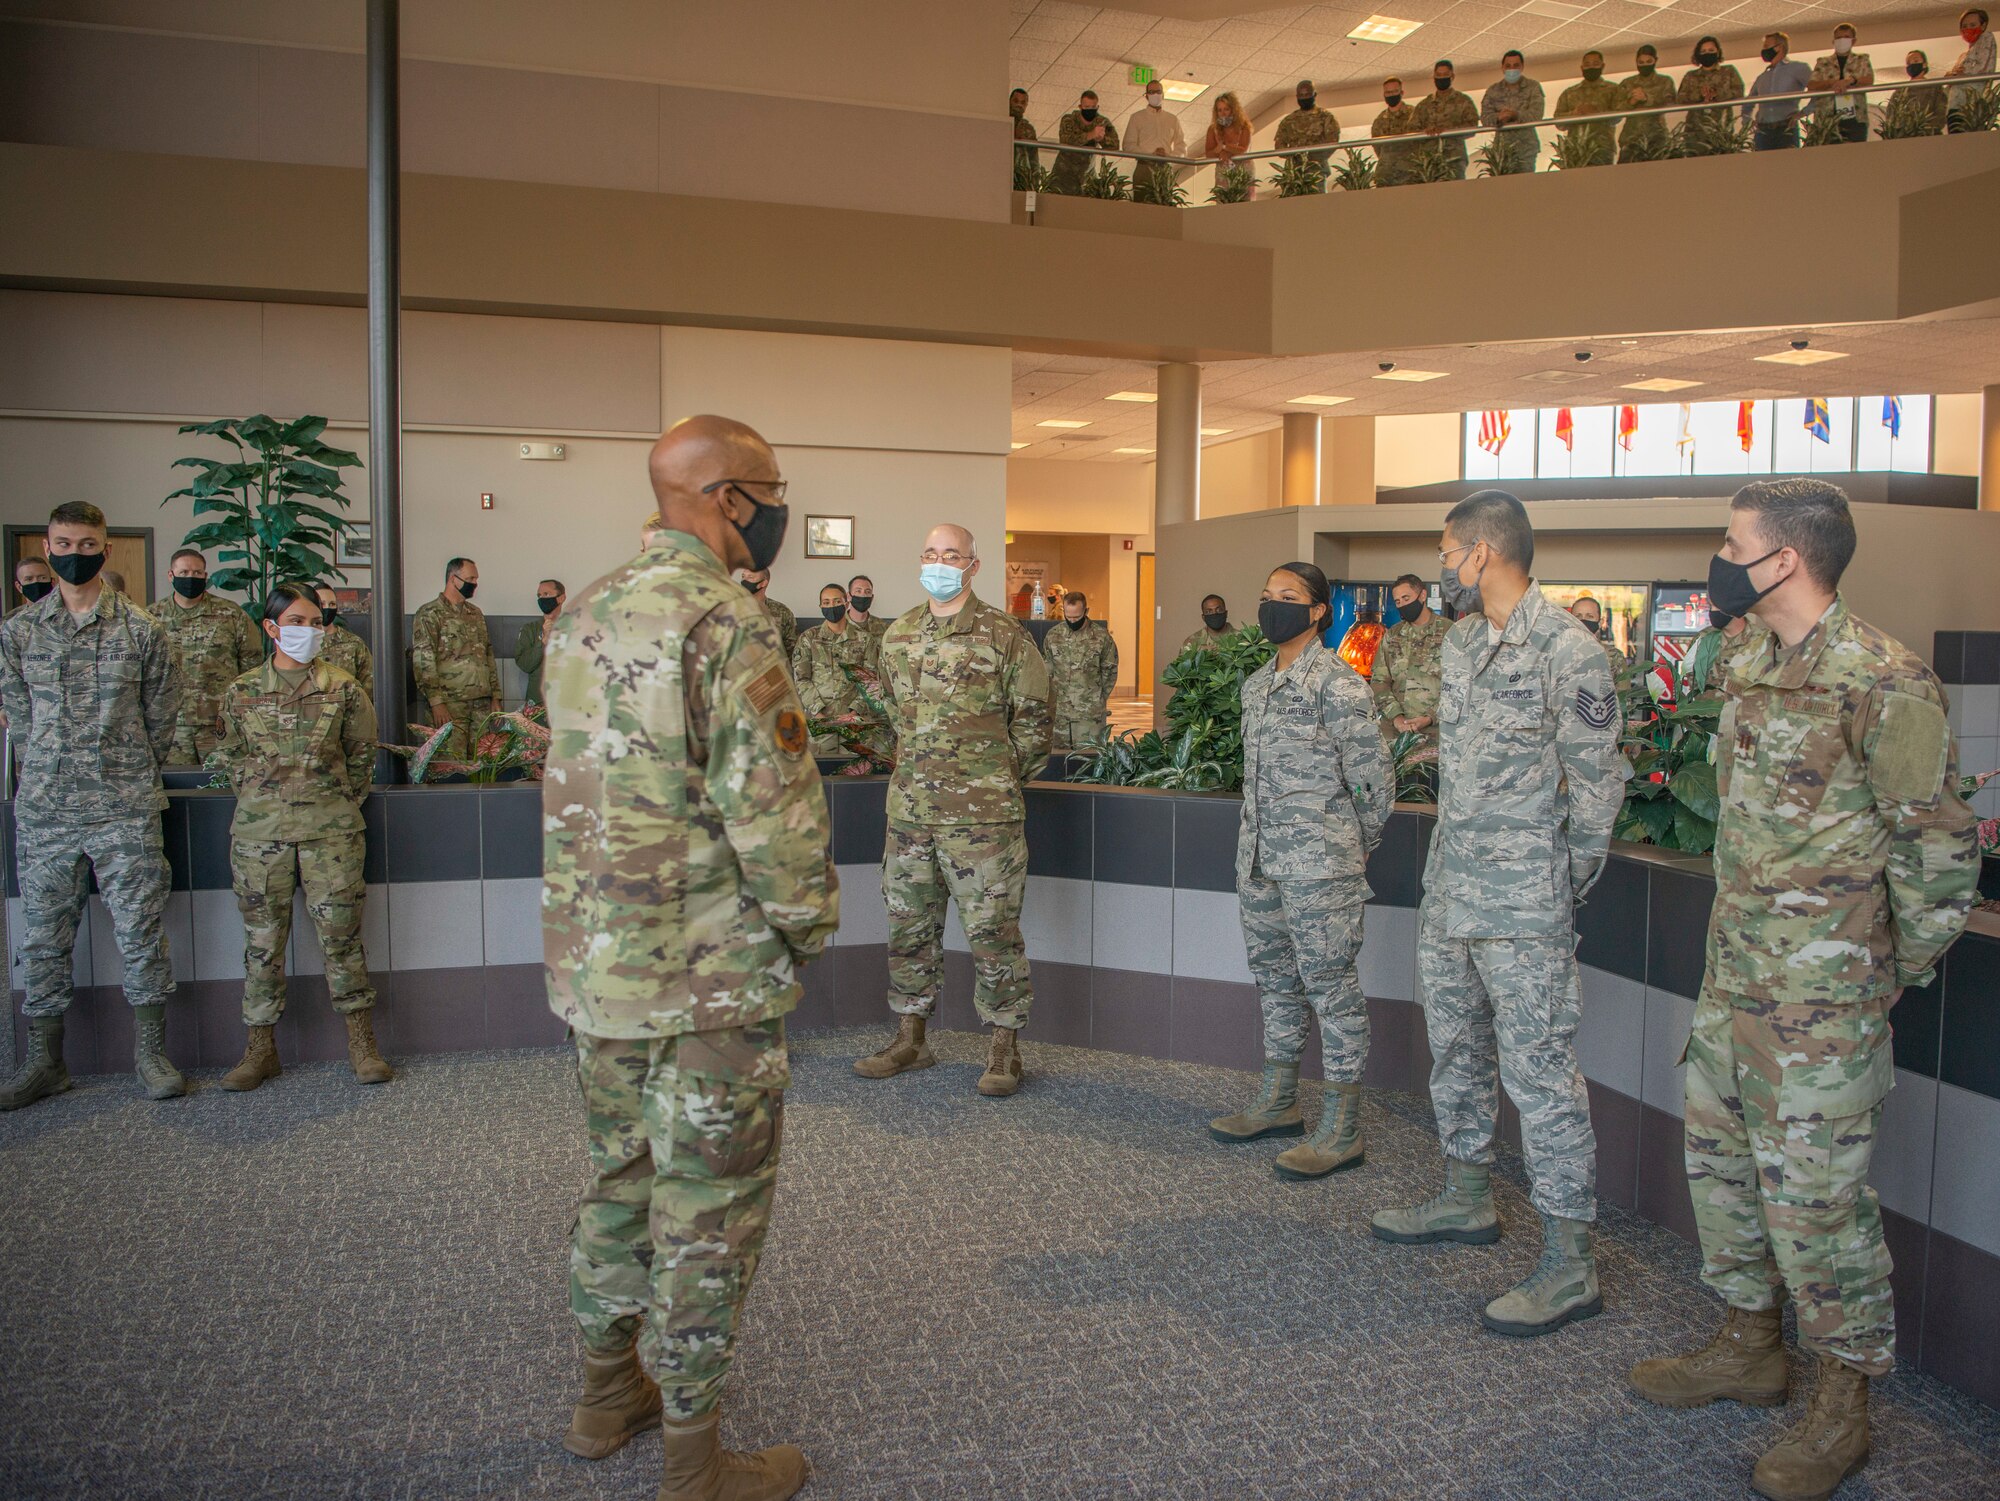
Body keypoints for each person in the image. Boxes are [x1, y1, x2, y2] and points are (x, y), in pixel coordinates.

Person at [1628, 480, 1978, 1501]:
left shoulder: (1884, 680)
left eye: (1731, 541)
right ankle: (1749, 1344)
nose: (1719, 557)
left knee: (1819, 1205)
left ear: (1784, 559)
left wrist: (1875, 975)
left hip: (1821, 1006)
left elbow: (1939, 854)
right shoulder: (1748, 659)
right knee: (1721, 1171)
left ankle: (1842, 1402)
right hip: (1732, 981)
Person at [543, 415, 835, 1501]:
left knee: (621, 1183)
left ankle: (602, 1395)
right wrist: (806, 927)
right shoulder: (728, 622)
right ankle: (694, 1461)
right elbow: (775, 813)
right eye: (772, 488)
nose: (780, 507)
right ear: (727, 498)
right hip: (709, 982)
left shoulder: (580, 612)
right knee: (709, 1212)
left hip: (599, 972)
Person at [1369, 490, 1628, 1339]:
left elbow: (1598, 788)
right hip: (1454, 888)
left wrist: (1555, 884)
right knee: (1457, 1047)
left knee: (1541, 1075)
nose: (1442, 567)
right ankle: (1467, 1194)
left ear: (1483, 552)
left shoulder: (1568, 649)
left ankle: (1570, 1261)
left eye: (1448, 553)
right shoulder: (1461, 644)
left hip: (1522, 904)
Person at [853, 524, 1051, 1097]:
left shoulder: (1004, 634)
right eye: (930, 554)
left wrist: (991, 780)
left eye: (951, 555)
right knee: (908, 926)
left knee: (993, 933)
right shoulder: (898, 634)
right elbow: (893, 717)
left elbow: (1036, 722)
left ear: (973, 565)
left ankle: (1005, 1047)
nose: (938, 563)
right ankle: (910, 1038)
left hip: (982, 820)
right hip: (911, 813)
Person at [0, 502, 184, 1110]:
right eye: (63, 543)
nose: (73, 553)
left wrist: (124, 768)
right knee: (43, 937)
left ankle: (151, 1054)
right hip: (46, 811)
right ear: (47, 548)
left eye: (86, 544)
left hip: (123, 806)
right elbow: (19, 718)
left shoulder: (142, 629)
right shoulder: (19, 631)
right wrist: (48, 770)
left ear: (105, 550)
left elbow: (161, 716)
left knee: (140, 929)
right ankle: (45, 1061)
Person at [1209, 563, 1390, 1179]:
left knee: (1331, 989)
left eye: (1287, 597)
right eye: (1266, 596)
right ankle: (1279, 1101)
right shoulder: (1257, 685)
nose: (1272, 606)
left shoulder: (1339, 685)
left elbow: (1372, 780)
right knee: (1275, 982)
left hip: (1321, 868)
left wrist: (1357, 844)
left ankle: (1342, 1129)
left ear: (1317, 612)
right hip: (1261, 861)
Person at [212, 583, 388, 1091]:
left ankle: (362, 1045)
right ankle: (259, 1050)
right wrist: (262, 797)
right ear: (271, 627)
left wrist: (331, 802)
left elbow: (362, 756)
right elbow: (230, 756)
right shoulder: (242, 691)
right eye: (296, 621)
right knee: (262, 943)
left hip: (330, 834)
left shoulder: (344, 688)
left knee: (342, 937)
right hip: (259, 836)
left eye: (315, 622)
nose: (308, 631)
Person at [156, 546, 263, 765]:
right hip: (172, 725)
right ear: (171, 575)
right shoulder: (152, 618)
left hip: (220, 721)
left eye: (197, 573)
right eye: (184, 572)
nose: (191, 577)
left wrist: (246, 712)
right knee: (176, 782)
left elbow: (252, 665)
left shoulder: (231, 614)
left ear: (205, 576)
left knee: (222, 780)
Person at [412, 557, 499, 759]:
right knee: (450, 762)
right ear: (453, 579)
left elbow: (488, 654)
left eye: (476, 579)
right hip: (450, 704)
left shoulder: (475, 613)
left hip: (481, 703)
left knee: (482, 763)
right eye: (470, 579)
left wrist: (495, 695)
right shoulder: (429, 613)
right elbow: (424, 661)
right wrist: (436, 702)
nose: (475, 584)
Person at [791, 582, 889, 757]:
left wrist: (855, 710)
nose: (832, 606)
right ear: (820, 606)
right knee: (820, 769)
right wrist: (818, 712)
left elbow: (871, 679)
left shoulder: (864, 639)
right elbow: (801, 679)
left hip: (855, 721)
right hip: (819, 721)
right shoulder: (808, 638)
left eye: (837, 601)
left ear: (846, 603)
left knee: (853, 770)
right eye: (826, 602)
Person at [1371, 574, 1448, 751]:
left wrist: (1430, 717)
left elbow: (1459, 687)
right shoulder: (1393, 635)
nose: (1402, 605)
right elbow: (1379, 681)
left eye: (1406, 598)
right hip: (1395, 734)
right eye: (1398, 602)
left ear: (1422, 595)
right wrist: (1397, 718)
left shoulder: (1449, 632)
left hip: (1435, 735)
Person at [1041, 590, 1119, 751]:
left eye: (1076, 617)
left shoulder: (1101, 637)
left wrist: (1097, 697)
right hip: (1060, 713)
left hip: (1089, 715)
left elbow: (1110, 670)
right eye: (1068, 616)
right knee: (1058, 758)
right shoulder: (1053, 635)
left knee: (1088, 756)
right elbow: (1047, 669)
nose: (1072, 621)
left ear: (1086, 611)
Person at [1480, 51, 1545, 173]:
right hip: (1502, 152)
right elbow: (1484, 117)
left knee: (1525, 183)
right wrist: (1498, 117)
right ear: (1502, 68)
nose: (1512, 69)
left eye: (1516, 65)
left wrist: (1516, 115)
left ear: (1522, 67)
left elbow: (1537, 114)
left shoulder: (1533, 86)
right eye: (1508, 66)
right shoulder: (1493, 90)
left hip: (1526, 150)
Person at [1807, 23, 1874, 142]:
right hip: (1827, 118)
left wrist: (1850, 81)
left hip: (1855, 118)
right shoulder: (1823, 62)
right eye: (1838, 38)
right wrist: (1832, 83)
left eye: (1846, 37)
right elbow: (1812, 85)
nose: (1842, 40)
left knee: (1855, 150)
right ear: (1833, 41)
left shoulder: (1862, 60)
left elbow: (1869, 80)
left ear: (1853, 41)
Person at [1555, 51, 1624, 165]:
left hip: (1602, 148)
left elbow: (1617, 117)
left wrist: (1597, 112)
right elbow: (1558, 123)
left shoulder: (1613, 89)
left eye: (1595, 64)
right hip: (1575, 150)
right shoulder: (1569, 93)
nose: (1591, 67)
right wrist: (1574, 113)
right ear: (1582, 67)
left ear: (1602, 66)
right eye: (1587, 64)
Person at [1413, 60, 1479, 178]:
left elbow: (1473, 126)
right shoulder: (1424, 105)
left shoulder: (1463, 100)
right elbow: (1412, 129)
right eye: (1438, 75)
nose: (1441, 78)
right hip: (1430, 161)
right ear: (1434, 77)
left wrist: (1448, 130)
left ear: (1452, 76)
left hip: (1454, 158)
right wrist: (1425, 132)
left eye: (1445, 75)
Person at [1745, 32, 1811, 149]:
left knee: (1788, 159)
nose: (1764, 50)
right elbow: (1747, 103)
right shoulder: (1762, 77)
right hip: (1763, 130)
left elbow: (1817, 90)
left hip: (1786, 127)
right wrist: (1748, 121)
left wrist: (1803, 113)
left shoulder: (1798, 68)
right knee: (1761, 160)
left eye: (1766, 46)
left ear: (1779, 47)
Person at [1124, 76, 1186, 198]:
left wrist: (1169, 156)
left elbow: (1182, 146)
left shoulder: (1172, 119)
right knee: (1143, 205)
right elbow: (1128, 145)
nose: (1155, 95)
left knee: (1164, 204)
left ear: (1163, 94)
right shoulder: (1137, 117)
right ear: (1146, 96)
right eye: (1151, 92)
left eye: (1158, 92)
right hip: (1144, 167)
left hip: (1165, 168)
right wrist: (1149, 155)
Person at [1050, 89, 1118, 194]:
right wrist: (1091, 135)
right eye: (1087, 107)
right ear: (1080, 107)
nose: (1090, 110)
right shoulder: (1069, 119)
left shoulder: (1101, 122)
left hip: (1086, 180)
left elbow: (1115, 145)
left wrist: (1102, 139)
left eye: (1093, 107)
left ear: (1097, 107)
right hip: (1063, 177)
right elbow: (1066, 140)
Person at [314, 584, 375, 699]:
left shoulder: (354, 643)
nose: (327, 608)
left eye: (332, 604)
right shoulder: (302, 643)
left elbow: (369, 684)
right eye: (322, 604)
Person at [1619, 44, 1678, 160]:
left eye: (1649, 61)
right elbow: (1616, 107)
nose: (1645, 65)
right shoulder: (1627, 83)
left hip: (1657, 137)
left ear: (1655, 60)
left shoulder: (1664, 81)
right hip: (1631, 137)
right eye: (1641, 62)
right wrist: (1632, 101)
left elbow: (1670, 103)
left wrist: (1647, 98)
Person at [514, 577, 566, 707]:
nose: (542, 599)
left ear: (561, 598)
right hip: (538, 703)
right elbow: (525, 665)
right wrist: (542, 642)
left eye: (546, 594)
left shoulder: (576, 627)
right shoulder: (530, 629)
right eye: (539, 595)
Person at [1273, 78, 1341, 178]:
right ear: (1297, 97)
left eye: (1307, 94)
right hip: (1294, 171)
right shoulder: (1288, 121)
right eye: (1301, 95)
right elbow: (1279, 147)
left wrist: (1311, 158)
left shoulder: (1326, 117)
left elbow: (1332, 143)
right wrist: (1296, 157)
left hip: (1317, 170)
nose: (1304, 98)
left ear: (1314, 94)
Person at [1944, 9, 1995, 131]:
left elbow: (1982, 68)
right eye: (1964, 26)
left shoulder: (1987, 37)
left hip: (1971, 105)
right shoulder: (1963, 56)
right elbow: (1950, 80)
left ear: (1983, 25)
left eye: (1972, 25)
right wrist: (1950, 76)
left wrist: (1962, 74)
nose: (1968, 29)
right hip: (1954, 105)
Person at [737, 567, 798, 662]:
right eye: (743, 576)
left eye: (750, 577)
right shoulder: (731, 608)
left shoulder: (782, 611)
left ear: (763, 583)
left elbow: (791, 649)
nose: (744, 581)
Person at [1678, 36, 1746, 117]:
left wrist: (1717, 93)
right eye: (1703, 51)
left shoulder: (1729, 71)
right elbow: (1680, 98)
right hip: (1695, 121)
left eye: (1711, 50)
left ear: (1718, 52)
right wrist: (1699, 94)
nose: (1707, 53)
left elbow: (1739, 92)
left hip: (1722, 120)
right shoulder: (1690, 76)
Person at [1371, 77, 1421, 185]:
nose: (1391, 95)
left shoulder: (1414, 114)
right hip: (1386, 175)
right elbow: (1378, 148)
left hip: (1411, 173)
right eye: (1388, 92)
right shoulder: (1379, 120)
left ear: (1401, 92)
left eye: (1394, 91)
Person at [1568, 594, 1628, 675]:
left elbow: (1623, 683)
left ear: (1600, 622)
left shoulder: (1614, 656)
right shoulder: (1559, 654)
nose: (1583, 620)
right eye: (1578, 616)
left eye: (1590, 616)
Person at [1895, 50, 1948, 134]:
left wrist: (1926, 130)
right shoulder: (1900, 91)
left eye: (1915, 61)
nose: (1911, 64)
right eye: (1908, 63)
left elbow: (1941, 114)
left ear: (1924, 64)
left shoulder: (1935, 88)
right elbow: (1892, 116)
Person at [1204, 91, 1252, 173]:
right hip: (1223, 169)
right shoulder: (1213, 129)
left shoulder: (1244, 127)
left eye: (1226, 109)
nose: (1223, 113)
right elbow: (1208, 154)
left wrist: (1224, 147)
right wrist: (1219, 152)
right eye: (1220, 110)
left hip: (1243, 169)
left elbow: (1243, 149)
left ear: (1234, 110)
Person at [845, 573, 889, 649]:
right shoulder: (838, 625)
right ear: (849, 596)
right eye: (858, 591)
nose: (863, 595)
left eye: (868, 592)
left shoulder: (884, 627)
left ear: (872, 598)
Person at [1010, 87, 1039, 181]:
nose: (1019, 105)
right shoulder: (1001, 124)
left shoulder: (1028, 130)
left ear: (1026, 106)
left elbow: (1034, 160)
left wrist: (1034, 183)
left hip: (1021, 178)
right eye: (1016, 101)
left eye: (1023, 103)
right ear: (1009, 102)